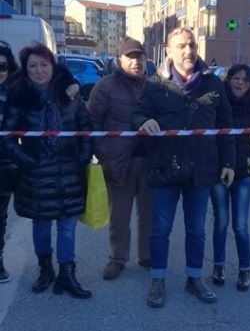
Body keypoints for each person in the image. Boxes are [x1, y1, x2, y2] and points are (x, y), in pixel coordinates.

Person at [132, 27, 235, 308]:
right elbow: (137, 113)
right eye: (180, 46)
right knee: (160, 228)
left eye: (191, 45)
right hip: (165, 168)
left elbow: (225, 125)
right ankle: (158, 280)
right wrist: (142, 122)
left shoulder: (213, 84)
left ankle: (194, 279)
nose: (187, 51)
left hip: (202, 170)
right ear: (168, 50)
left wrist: (228, 162)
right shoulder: (154, 84)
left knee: (196, 229)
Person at [1, 44, 92, 298]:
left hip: (69, 173)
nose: (39, 70)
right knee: (41, 226)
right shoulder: (20, 98)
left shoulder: (70, 94)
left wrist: (84, 156)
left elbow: (86, 129)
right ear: (25, 70)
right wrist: (27, 160)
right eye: (33, 66)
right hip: (36, 176)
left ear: (53, 65)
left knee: (67, 227)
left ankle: (67, 273)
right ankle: (45, 270)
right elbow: (7, 138)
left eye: (44, 64)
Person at [86, 37, 152, 280]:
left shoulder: (154, 86)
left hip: (149, 162)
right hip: (118, 162)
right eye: (130, 57)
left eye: (140, 57)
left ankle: (146, 255)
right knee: (119, 216)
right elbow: (91, 125)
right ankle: (117, 259)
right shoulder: (105, 86)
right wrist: (105, 155)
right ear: (119, 60)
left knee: (148, 213)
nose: (136, 62)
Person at [210, 64, 250, 291]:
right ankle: (218, 266)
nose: (240, 82)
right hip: (219, 174)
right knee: (221, 222)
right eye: (236, 78)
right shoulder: (219, 105)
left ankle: (245, 270)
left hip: (244, 174)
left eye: (245, 80)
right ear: (229, 81)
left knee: (240, 226)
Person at [0, 40, 20, 283]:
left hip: (4, 163)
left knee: (0, 216)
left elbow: (46, 80)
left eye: (2, 66)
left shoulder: (16, 93)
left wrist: (68, 82)